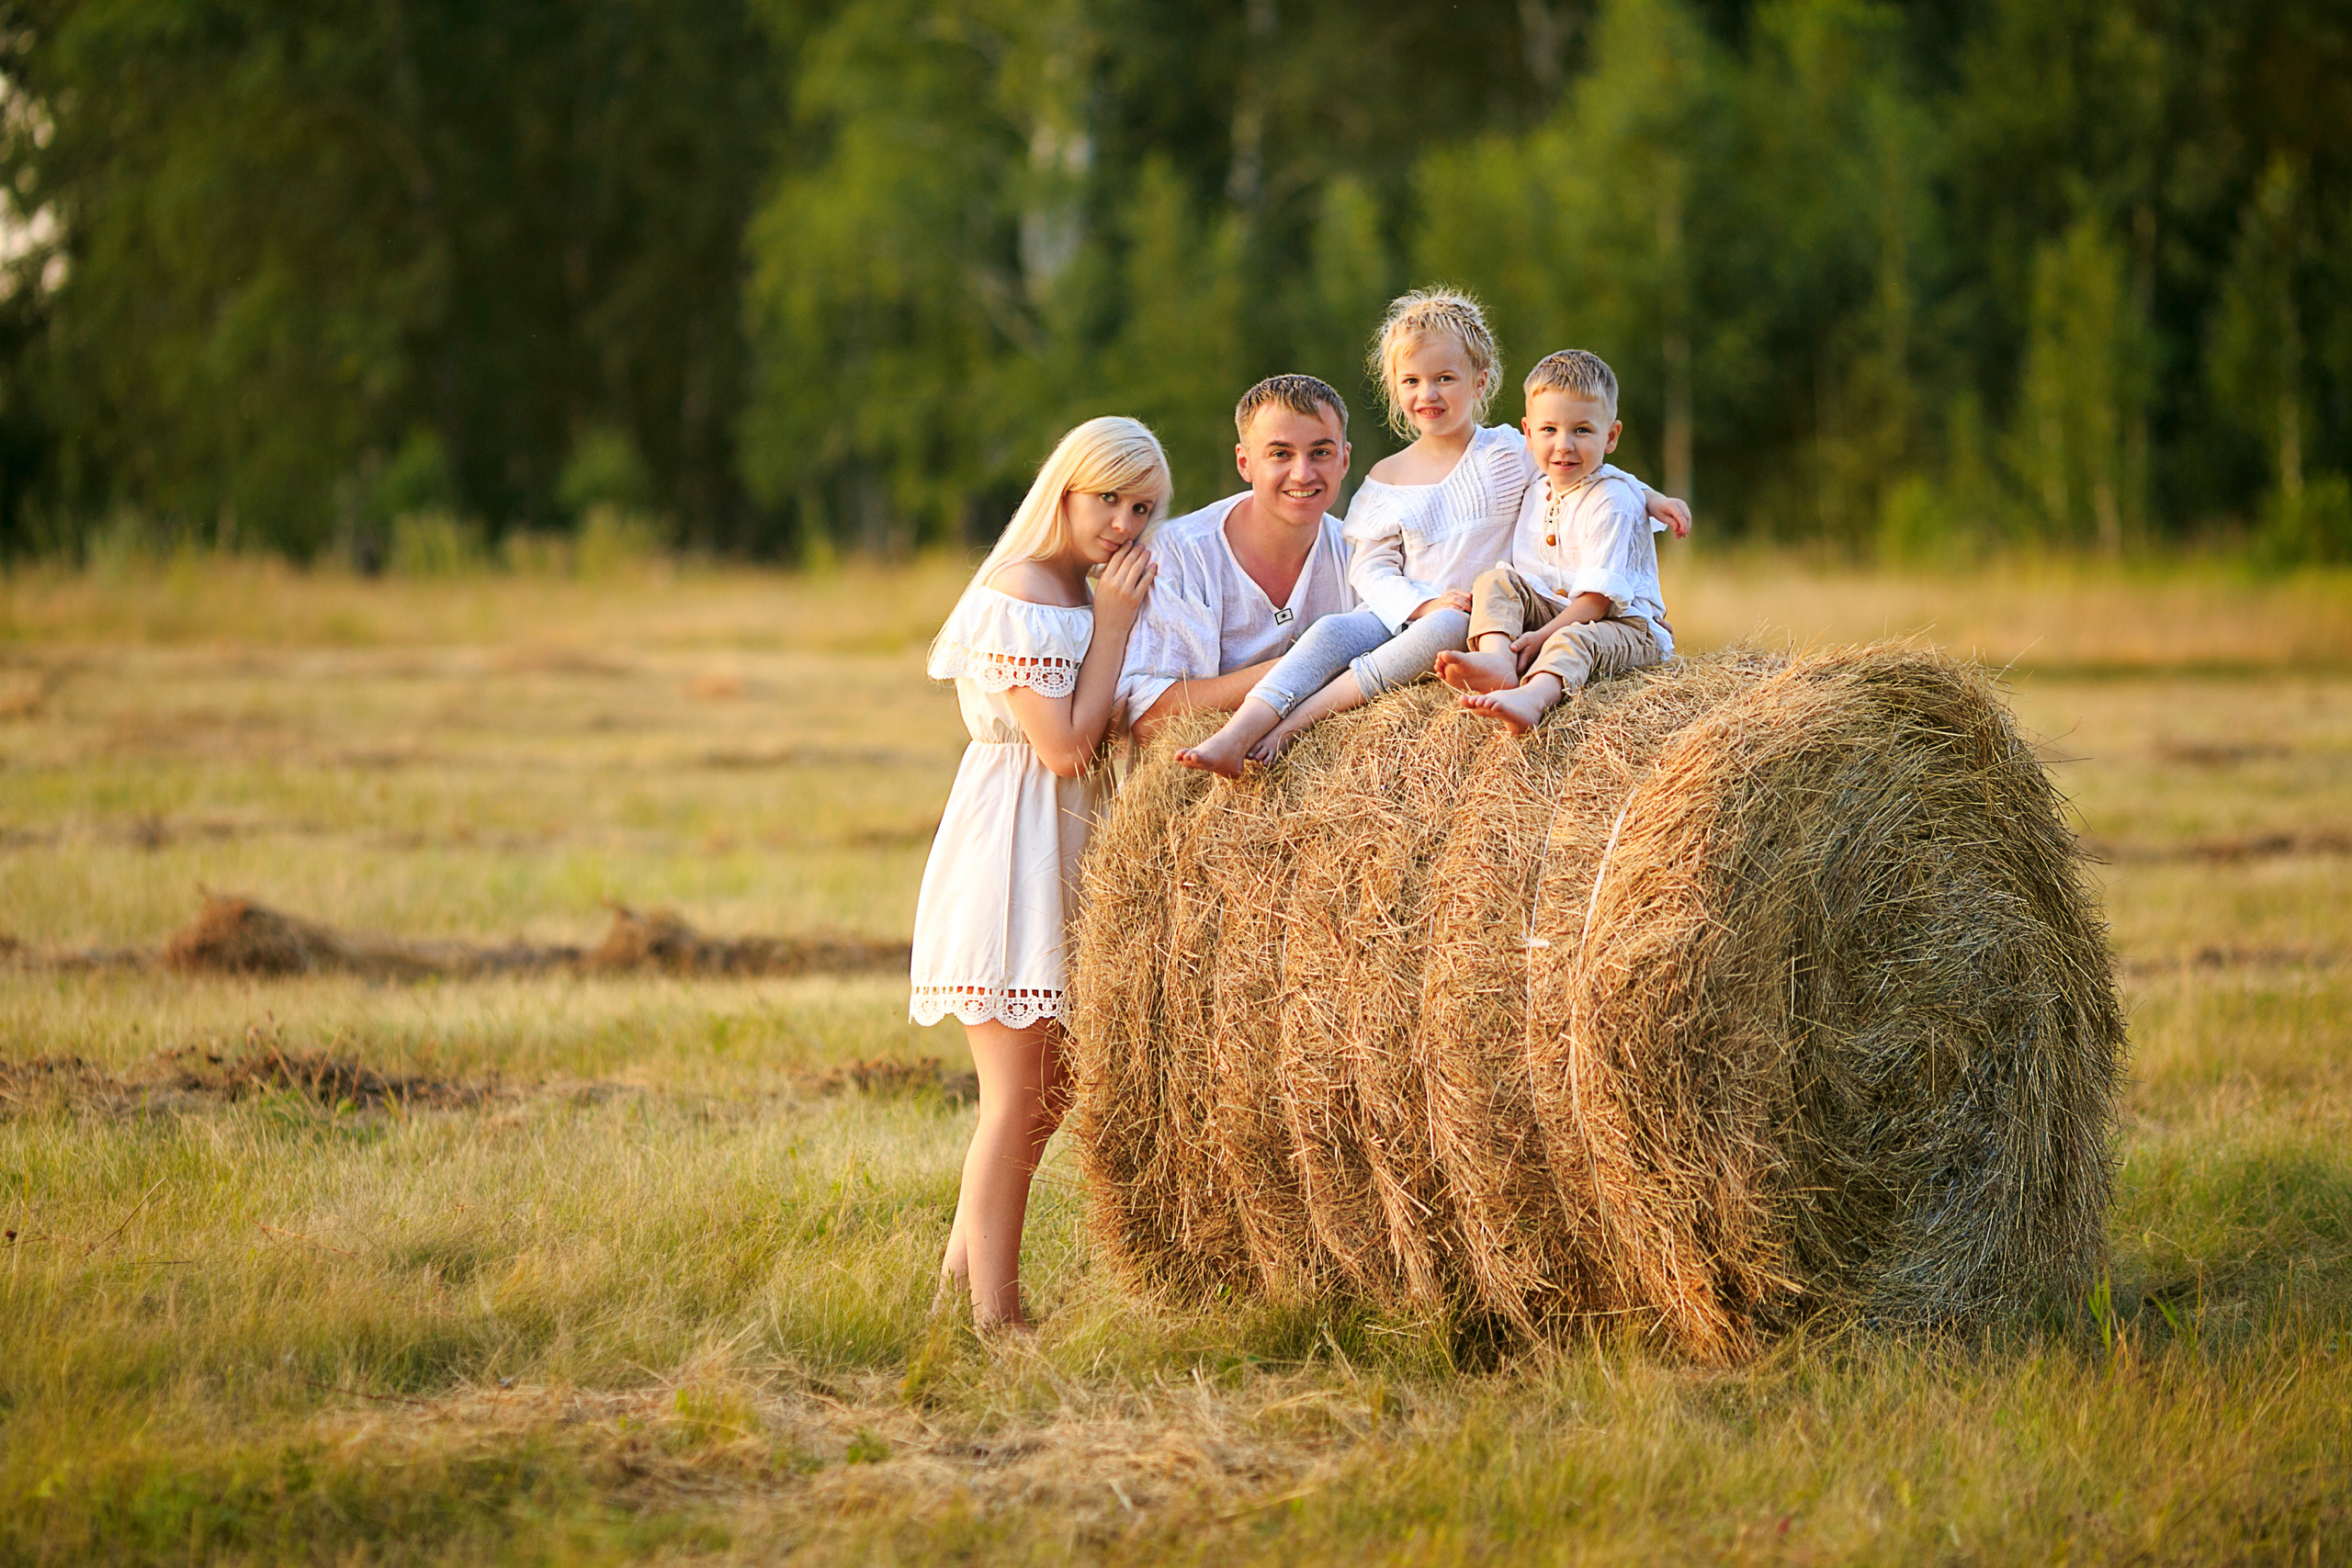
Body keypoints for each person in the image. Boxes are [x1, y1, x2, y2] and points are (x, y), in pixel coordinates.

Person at [1173, 290, 1689, 776]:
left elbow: (1583, 473)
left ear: (1480, 383)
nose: (1429, 394)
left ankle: (1297, 724)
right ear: (1394, 388)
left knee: (1442, 631)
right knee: (1330, 632)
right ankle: (1237, 733)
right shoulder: (1385, 481)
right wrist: (1420, 603)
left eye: (1445, 378)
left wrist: (1652, 498)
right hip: (1402, 610)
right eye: (1412, 381)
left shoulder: (1509, 452)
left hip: (1470, 623)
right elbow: (1371, 570)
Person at [910, 415, 1167, 1331]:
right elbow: (1062, 748)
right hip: (1010, 854)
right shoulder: (1022, 590)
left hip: (1063, 848)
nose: (1124, 523)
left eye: (1141, 508)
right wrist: (1113, 623)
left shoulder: (1081, 588)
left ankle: (956, 1285)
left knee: (1048, 1094)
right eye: (1108, 499)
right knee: (1017, 1098)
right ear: (1064, 488)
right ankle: (998, 1318)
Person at [1439, 349, 1678, 733]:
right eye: (1549, 430)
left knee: (1573, 639)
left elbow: (1596, 603)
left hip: (1624, 626)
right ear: (1529, 435)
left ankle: (1533, 698)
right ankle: (1498, 661)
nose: (1564, 445)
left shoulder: (1611, 502)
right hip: (1555, 606)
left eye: (1582, 430)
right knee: (1495, 581)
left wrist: (1541, 636)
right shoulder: (1537, 482)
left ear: (1611, 436)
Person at [1123, 375, 1359, 744]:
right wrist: (1309, 664)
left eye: (1320, 452)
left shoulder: (1359, 552)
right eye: (1281, 454)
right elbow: (1149, 717)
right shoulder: (1182, 553)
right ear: (1245, 463)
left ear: (1344, 459)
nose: (1303, 473)